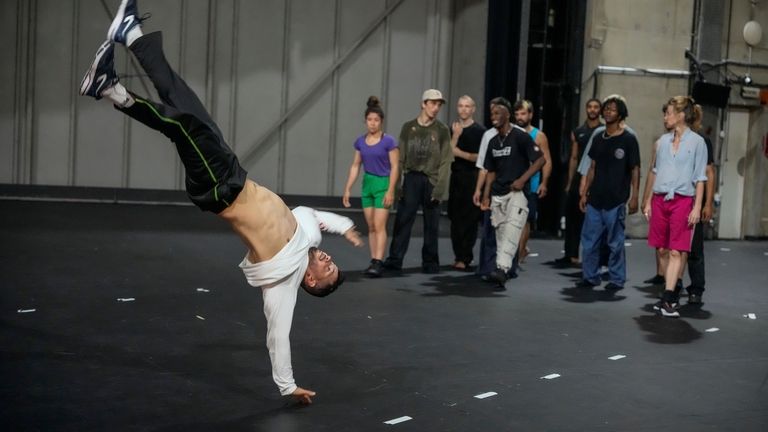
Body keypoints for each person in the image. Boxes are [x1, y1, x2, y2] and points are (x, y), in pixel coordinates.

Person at [79, 0, 363, 404]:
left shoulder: (284, 282)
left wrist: (287, 385)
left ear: (311, 281)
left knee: (183, 125)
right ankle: (131, 35)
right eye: (332, 262)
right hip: (232, 170)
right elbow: (317, 215)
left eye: (328, 270)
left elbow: (277, 335)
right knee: (179, 95)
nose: (329, 261)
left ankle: (110, 89)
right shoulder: (307, 231)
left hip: (220, 189)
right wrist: (346, 226)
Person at [644, 96, 708, 317]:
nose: (665, 117)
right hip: (661, 199)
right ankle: (670, 289)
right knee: (661, 248)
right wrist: (648, 201)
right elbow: (655, 172)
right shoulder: (662, 142)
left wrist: (697, 207)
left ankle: (669, 298)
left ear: (681, 115)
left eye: (668, 113)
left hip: (683, 199)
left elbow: (701, 177)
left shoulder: (698, 142)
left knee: (677, 250)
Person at [383, 89, 453, 274]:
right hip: (412, 178)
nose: (436, 107)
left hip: (432, 179)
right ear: (423, 104)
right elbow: (400, 159)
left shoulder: (442, 130)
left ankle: (430, 262)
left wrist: (440, 189)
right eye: (432, 103)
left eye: (439, 104)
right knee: (403, 220)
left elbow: (446, 160)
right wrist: (397, 187)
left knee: (432, 224)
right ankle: (395, 260)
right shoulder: (408, 128)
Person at [480, 97, 545, 287]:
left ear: (508, 115)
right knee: (500, 233)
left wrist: (522, 180)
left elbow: (540, 160)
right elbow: (490, 171)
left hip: (517, 193)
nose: (494, 117)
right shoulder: (492, 141)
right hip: (498, 193)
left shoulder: (520, 136)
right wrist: (485, 195)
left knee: (512, 230)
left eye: (498, 113)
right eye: (492, 114)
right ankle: (503, 269)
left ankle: (501, 268)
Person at [577, 96, 640, 291]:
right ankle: (590, 276)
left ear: (620, 114)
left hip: (616, 199)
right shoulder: (598, 137)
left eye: (612, 109)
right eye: (606, 109)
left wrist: (634, 196)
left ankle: (616, 279)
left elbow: (635, 169)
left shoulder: (628, 139)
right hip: (595, 199)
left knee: (615, 243)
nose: (607, 112)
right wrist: (584, 192)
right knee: (589, 241)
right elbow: (592, 167)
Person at [342, 96, 399, 277]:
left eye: (376, 120)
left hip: (383, 184)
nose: (372, 123)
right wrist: (348, 188)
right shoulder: (360, 141)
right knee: (371, 226)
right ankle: (373, 259)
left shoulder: (388, 141)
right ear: (365, 121)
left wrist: (391, 190)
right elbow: (355, 165)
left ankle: (378, 261)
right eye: (369, 120)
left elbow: (396, 166)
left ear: (381, 121)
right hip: (368, 184)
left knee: (380, 225)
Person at [554, 98, 602, 267]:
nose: (593, 109)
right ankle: (571, 254)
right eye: (590, 106)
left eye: (596, 107)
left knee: (591, 219)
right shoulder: (578, 131)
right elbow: (574, 157)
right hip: (578, 176)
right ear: (586, 109)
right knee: (572, 215)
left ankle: (591, 258)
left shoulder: (602, 130)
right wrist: (569, 181)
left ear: (600, 110)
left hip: (595, 177)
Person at [447, 96, 486, 270]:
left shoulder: (480, 131)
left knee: (470, 219)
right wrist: (455, 137)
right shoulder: (453, 129)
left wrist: (459, 153)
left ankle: (465, 257)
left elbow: (481, 158)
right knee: (455, 218)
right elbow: (447, 154)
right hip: (456, 177)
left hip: (473, 177)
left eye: (467, 106)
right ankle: (458, 255)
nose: (463, 109)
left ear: (473, 109)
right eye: (460, 106)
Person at [512, 99, 552, 263]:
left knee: (525, 220)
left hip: (532, 184)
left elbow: (547, 160)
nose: (519, 117)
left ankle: (520, 252)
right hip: (512, 182)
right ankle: (515, 252)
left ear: (530, 115)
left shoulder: (539, 136)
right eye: (517, 114)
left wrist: (544, 183)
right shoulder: (511, 132)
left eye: (523, 113)